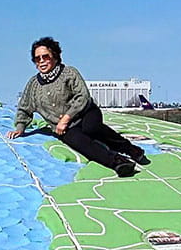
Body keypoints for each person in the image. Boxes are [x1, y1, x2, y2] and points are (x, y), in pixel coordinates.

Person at [9, 37, 147, 178]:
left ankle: (131, 150)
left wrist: (66, 118)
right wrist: (20, 128)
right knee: (79, 142)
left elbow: (83, 96)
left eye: (45, 56)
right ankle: (119, 162)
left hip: (85, 113)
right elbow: (24, 108)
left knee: (91, 129)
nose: (42, 61)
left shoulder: (69, 73)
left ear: (55, 57)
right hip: (65, 128)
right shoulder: (33, 85)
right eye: (37, 59)